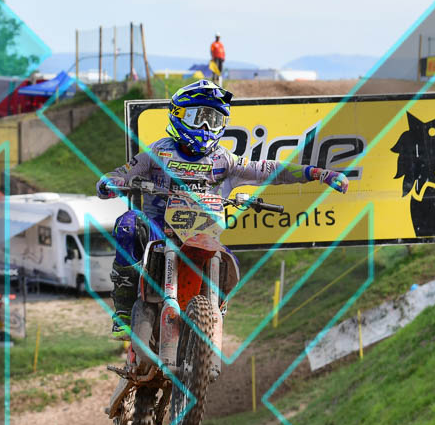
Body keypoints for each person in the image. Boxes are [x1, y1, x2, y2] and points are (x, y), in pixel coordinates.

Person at [97, 80, 348, 337]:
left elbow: (269, 169)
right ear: (178, 115)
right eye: (198, 117)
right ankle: (124, 309)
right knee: (128, 224)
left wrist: (317, 173)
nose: (206, 127)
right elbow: (124, 172)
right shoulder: (158, 153)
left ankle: (215, 309)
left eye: (214, 120)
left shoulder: (224, 160)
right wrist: (111, 182)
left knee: (230, 262)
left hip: (202, 234)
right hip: (159, 231)